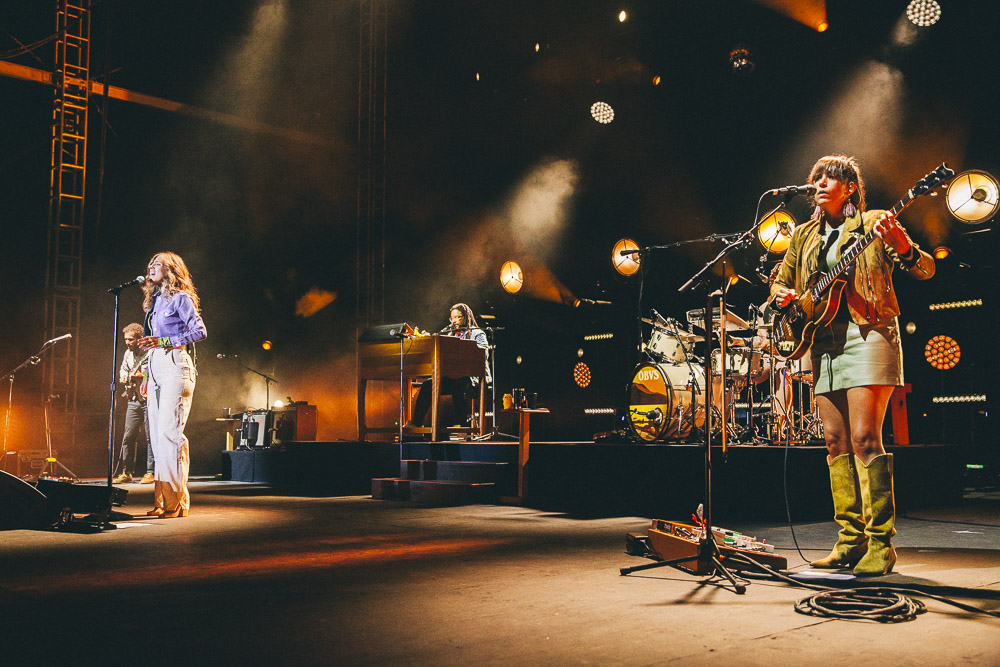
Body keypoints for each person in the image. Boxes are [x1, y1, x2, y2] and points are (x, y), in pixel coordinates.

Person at [770, 155, 934, 576]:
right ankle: (849, 540)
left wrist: (901, 244)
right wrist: (784, 298)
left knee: (864, 438)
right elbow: (780, 283)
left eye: (831, 177)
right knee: (834, 443)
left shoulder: (875, 221)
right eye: (816, 178)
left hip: (869, 333)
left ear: (850, 188)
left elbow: (926, 269)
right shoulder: (804, 235)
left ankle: (882, 543)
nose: (821, 183)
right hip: (821, 340)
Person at [137, 252, 207, 518]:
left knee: (170, 434)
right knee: (157, 437)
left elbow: (199, 331)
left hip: (176, 364)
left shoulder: (181, 298)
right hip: (155, 367)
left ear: (171, 269)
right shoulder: (154, 302)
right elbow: (150, 344)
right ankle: (161, 501)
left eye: (156, 263)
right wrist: (145, 376)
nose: (150, 266)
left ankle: (176, 502)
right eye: (150, 263)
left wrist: (165, 342)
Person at [407, 303, 490, 429]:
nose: (454, 321)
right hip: (451, 377)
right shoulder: (450, 333)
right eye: (452, 318)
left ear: (466, 317)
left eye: (458, 317)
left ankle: (464, 427)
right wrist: (429, 339)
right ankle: (416, 424)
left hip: (471, 378)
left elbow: (482, 355)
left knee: (459, 385)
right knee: (427, 385)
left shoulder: (477, 333)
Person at [113, 323, 155, 484]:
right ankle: (126, 472)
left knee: (151, 437)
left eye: (130, 339)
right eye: (125, 339)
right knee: (128, 436)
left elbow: (154, 374)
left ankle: (150, 472)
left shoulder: (149, 353)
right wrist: (123, 376)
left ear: (139, 339)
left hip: (148, 399)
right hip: (133, 400)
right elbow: (123, 368)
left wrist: (141, 377)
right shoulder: (127, 354)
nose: (127, 342)